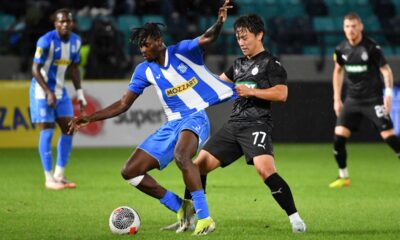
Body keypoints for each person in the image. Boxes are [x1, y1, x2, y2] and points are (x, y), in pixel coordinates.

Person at [68, 0, 234, 235]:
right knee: (130, 171)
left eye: (145, 45)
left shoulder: (182, 51)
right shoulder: (144, 70)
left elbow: (207, 38)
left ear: (158, 41)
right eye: (140, 47)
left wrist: (218, 22)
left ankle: (205, 218)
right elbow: (124, 104)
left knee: (181, 155)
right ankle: (179, 207)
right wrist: (91, 117)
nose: (142, 50)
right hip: (172, 124)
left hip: (195, 116)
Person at [163, 14, 306, 233]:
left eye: (245, 37)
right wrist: (187, 83)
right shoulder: (237, 64)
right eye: (238, 37)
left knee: (264, 169)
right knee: (198, 165)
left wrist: (252, 91)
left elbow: (282, 93)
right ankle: (190, 219)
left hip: (257, 123)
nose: (241, 42)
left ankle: (295, 219)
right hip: (233, 126)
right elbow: (215, 85)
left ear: (260, 35)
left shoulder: (271, 63)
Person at [330, 12, 400, 188]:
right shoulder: (341, 49)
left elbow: (386, 71)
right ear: (343, 29)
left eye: (354, 26)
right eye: (347, 26)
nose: (351, 30)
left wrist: (388, 94)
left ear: (361, 27)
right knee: (338, 139)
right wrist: (337, 98)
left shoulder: (371, 48)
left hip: (373, 99)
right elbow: (337, 71)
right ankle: (343, 176)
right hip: (352, 100)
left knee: (389, 138)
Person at [30, 8, 87, 190]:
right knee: (47, 129)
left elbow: (74, 69)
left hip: (61, 92)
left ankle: (59, 175)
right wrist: (47, 91)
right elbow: (35, 69)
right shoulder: (45, 41)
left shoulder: (76, 42)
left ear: (71, 23)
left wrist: (80, 94)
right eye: (61, 21)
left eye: (67, 21)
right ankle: (48, 179)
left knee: (70, 129)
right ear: (55, 23)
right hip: (41, 91)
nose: (64, 24)